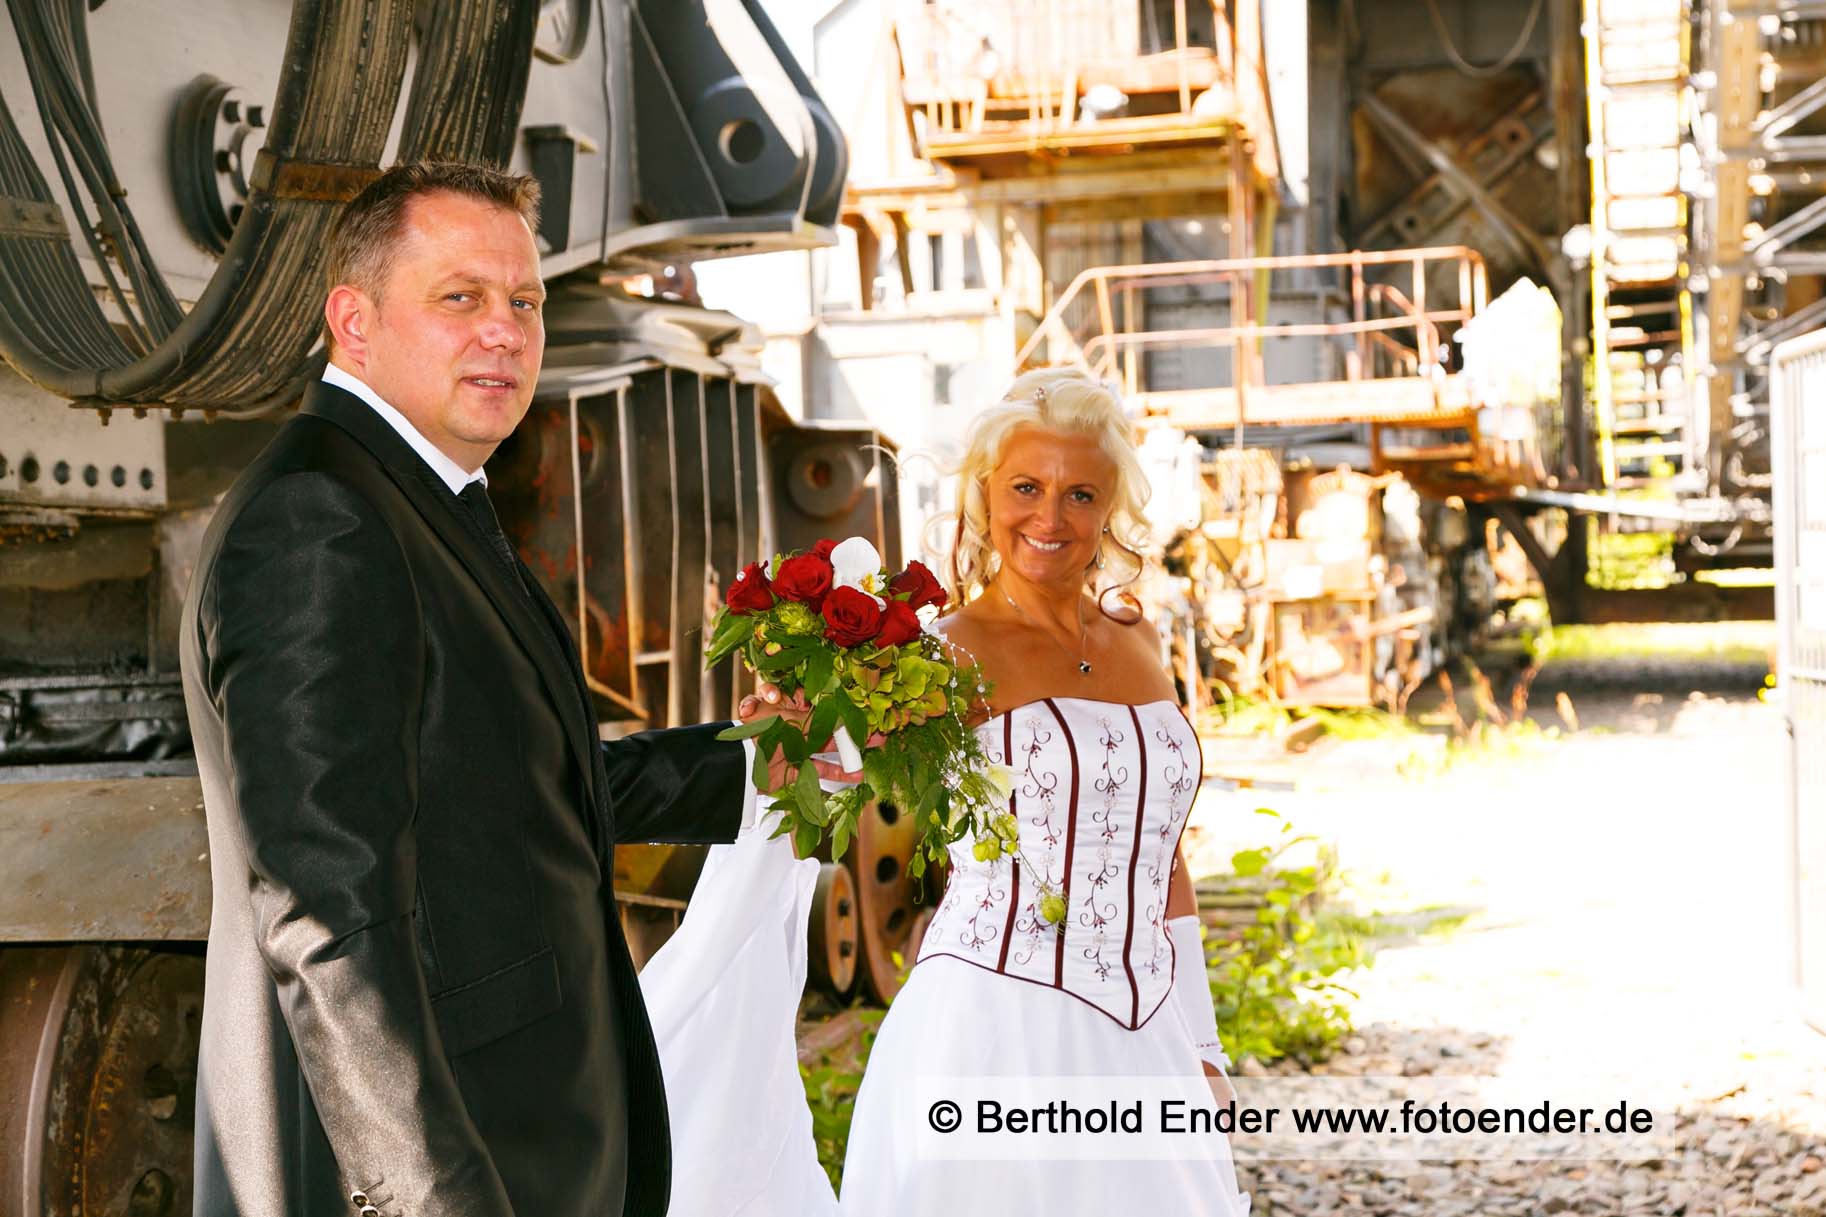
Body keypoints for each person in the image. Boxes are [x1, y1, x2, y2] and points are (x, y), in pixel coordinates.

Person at [178, 161, 842, 1217]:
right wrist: (430, 1195)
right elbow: (327, 914)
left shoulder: (418, 499)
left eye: (524, 300)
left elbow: (508, 785)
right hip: (445, 1163)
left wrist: (750, 762)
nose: (506, 330)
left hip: (516, 1137)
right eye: (460, 298)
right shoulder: (322, 523)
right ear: (353, 321)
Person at [643, 368, 1250, 1215]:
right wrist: (797, 727)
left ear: (1110, 505)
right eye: (1027, 488)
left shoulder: (1137, 634)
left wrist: (1205, 1043)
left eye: (1080, 493)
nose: (1050, 518)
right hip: (994, 1032)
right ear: (983, 497)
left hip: (1149, 1041)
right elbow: (833, 764)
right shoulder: (939, 657)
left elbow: (1163, 861)